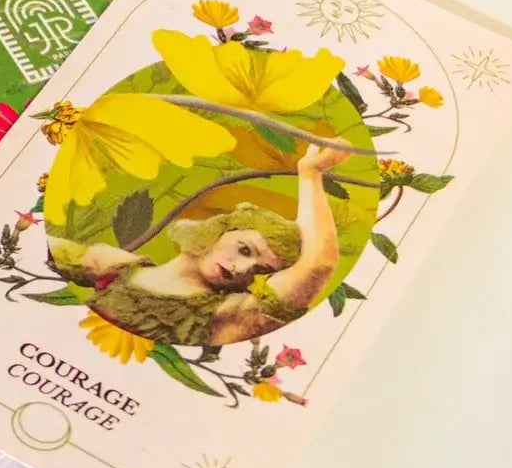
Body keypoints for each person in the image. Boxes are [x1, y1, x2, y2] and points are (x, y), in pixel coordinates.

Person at [54, 143, 351, 347]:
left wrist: (311, 174)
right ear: (219, 231)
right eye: (245, 250)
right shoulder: (116, 264)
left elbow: (320, 264)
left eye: (260, 270)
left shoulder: (227, 316)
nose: (243, 268)